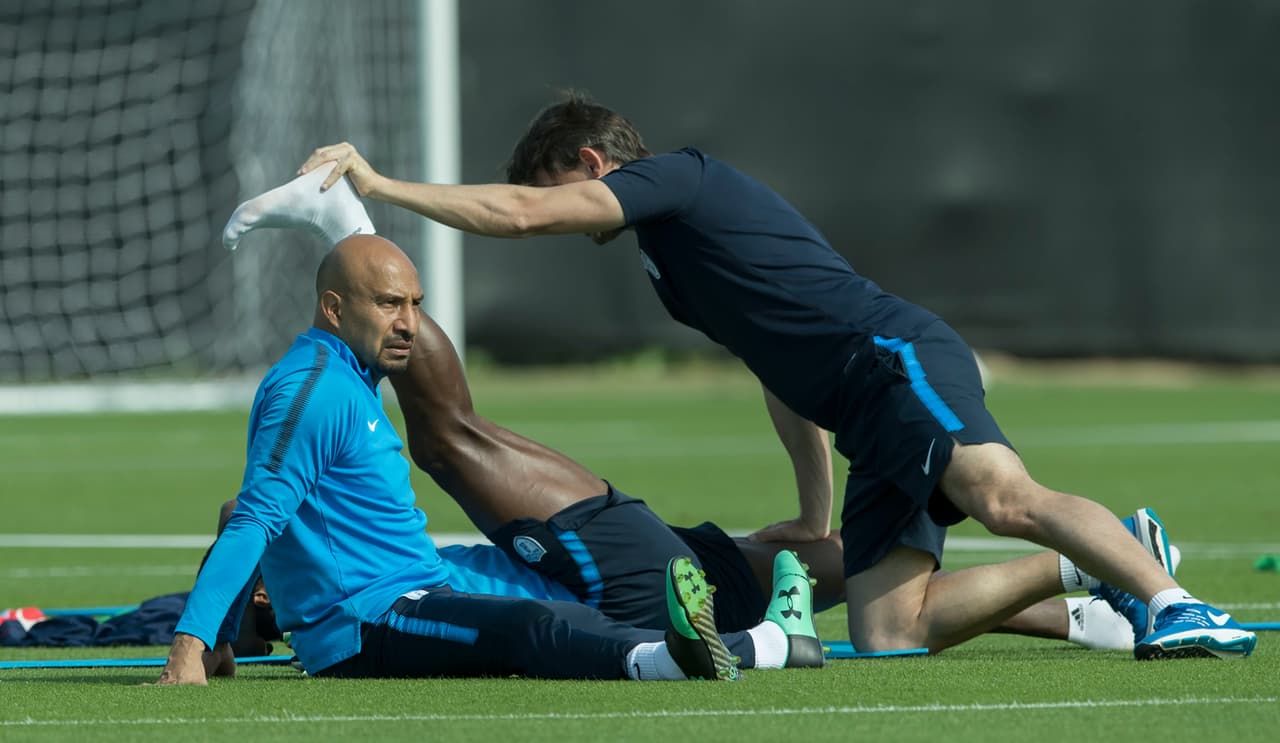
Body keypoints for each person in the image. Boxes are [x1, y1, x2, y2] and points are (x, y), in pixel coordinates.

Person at [287, 93, 1255, 660]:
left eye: (562, 192)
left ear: (591, 162)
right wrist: (812, 508)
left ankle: (1170, 600)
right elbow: (775, 366)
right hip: (858, 410)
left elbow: (520, 214)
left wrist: (379, 186)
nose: (566, 222)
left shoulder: (678, 180)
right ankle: (1085, 563)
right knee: (887, 631)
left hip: (892, 359)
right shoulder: (670, 268)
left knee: (1001, 495)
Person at [157, 234, 820, 686]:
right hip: (370, 620)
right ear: (333, 308)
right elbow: (253, 517)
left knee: (548, 602)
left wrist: (223, 641)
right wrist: (191, 647)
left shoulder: (348, 378)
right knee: (530, 626)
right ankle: (758, 646)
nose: (408, 323)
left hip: (415, 588)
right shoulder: (314, 389)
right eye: (388, 304)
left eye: (415, 305)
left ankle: (712, 638)